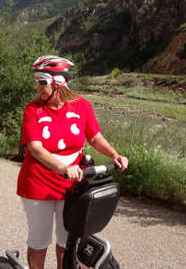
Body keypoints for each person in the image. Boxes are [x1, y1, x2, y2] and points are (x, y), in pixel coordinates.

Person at [17, 55, 128, 269]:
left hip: (71, 184)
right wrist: (63, 167)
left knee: (67, 240)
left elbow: (94, 138)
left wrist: (114, 154)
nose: (37, 87)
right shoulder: (33, 110)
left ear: (58, 82)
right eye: (36, 81)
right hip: (38, 184)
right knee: (39, 239)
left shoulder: (82, 106)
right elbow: (36, 148)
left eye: (42, 82)